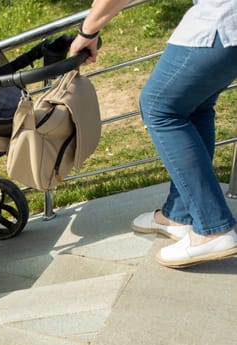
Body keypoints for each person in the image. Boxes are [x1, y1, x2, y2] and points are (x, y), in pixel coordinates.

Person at [70, 0, 237, 268]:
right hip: (227, 28)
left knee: (160, 108)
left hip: (222, 23)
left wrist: (87, 32)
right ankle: (180, 214)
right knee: (194, 107)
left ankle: (213, 228)